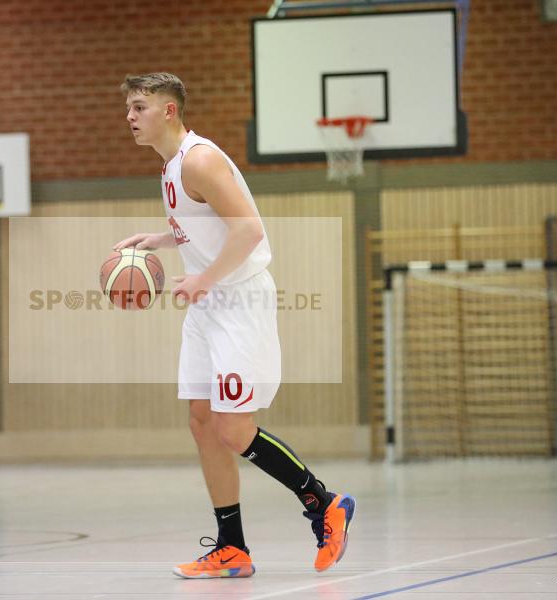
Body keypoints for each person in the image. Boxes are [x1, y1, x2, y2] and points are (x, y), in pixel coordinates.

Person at [116, 73, 355, 578]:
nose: (131, 117)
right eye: (129, 108)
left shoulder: (199, 158)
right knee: (203, 423)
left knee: (232, 427)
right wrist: (162, 240)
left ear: (169, 111)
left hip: (238, 301)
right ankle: (232, 548)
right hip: (210, 304)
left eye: (140, 107)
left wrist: (203, 278)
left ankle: (324, 503)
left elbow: (249, 230)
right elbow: (209, 222)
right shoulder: (172, 166)